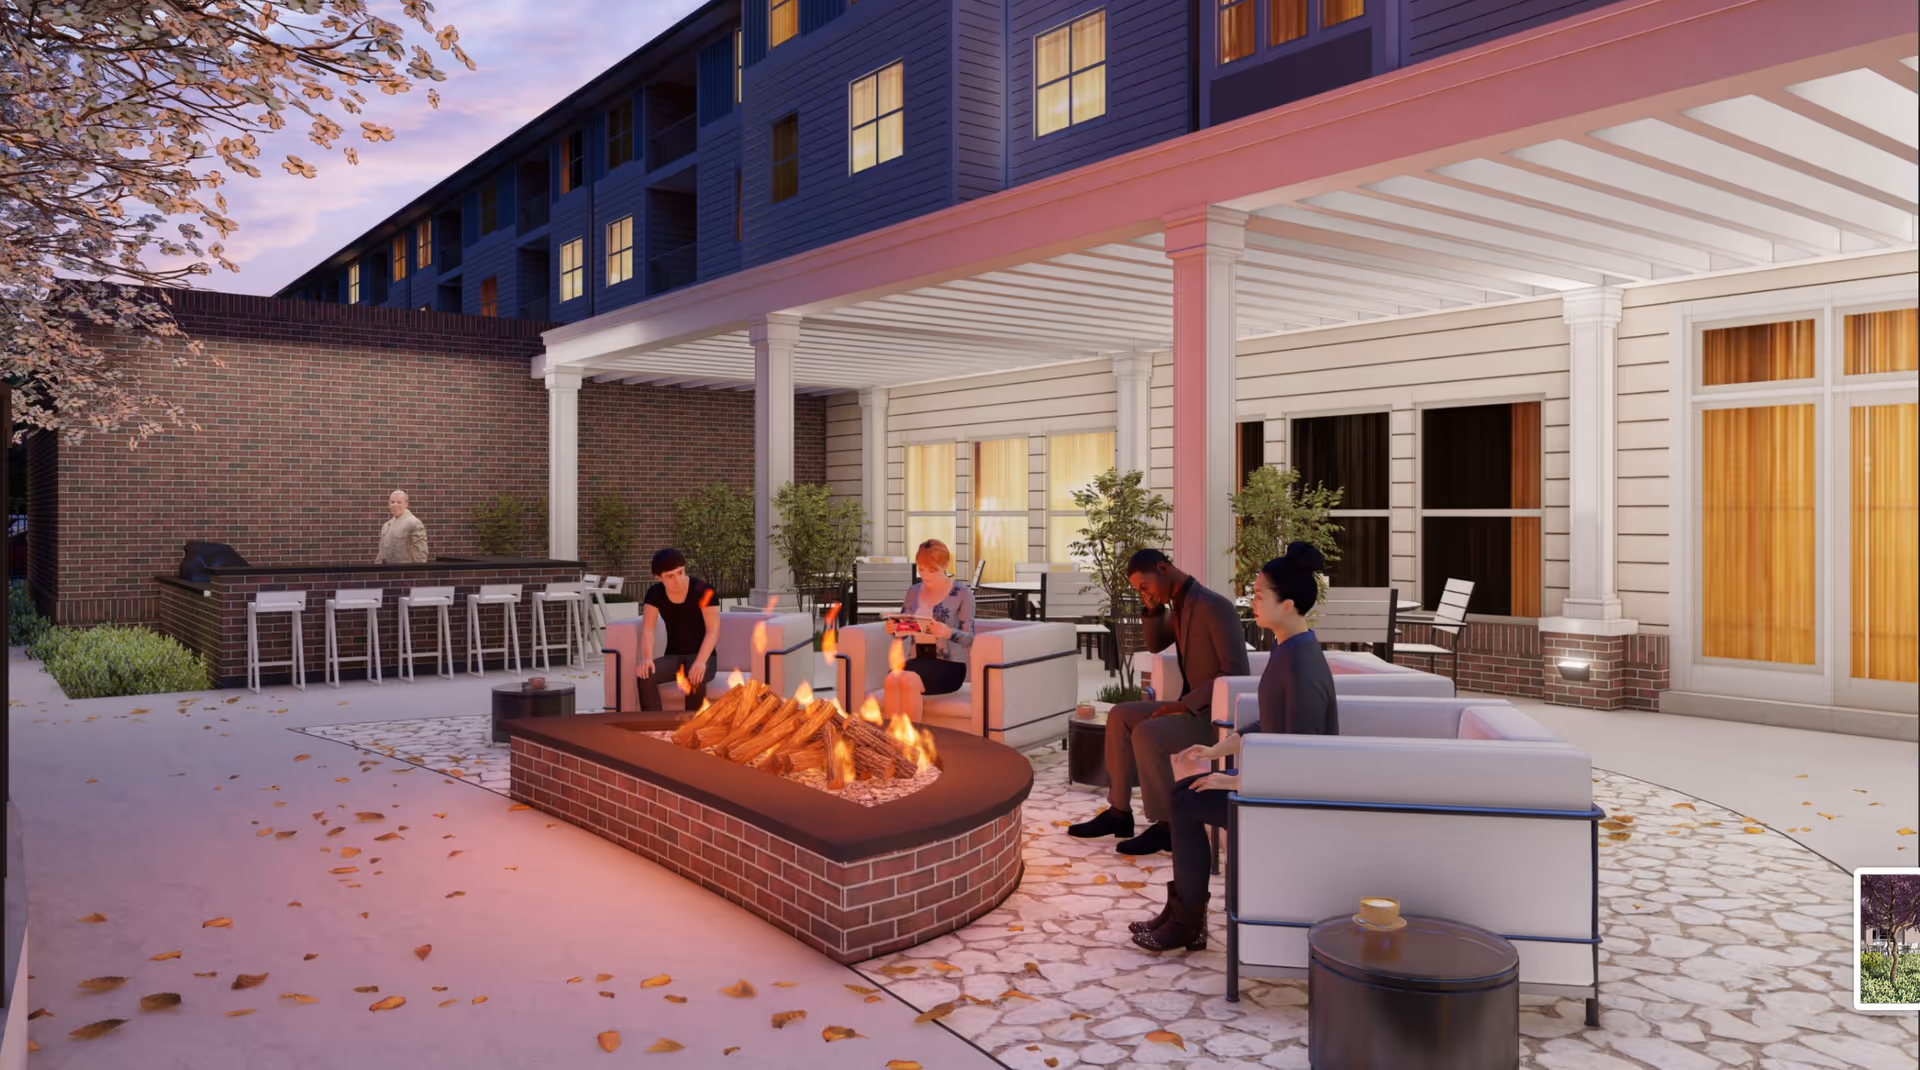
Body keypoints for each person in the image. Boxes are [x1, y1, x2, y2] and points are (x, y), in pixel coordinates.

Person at [1130, 542, 1338, 952]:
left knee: (1186, 800)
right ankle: (1183, 912)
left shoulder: (1301, 665)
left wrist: (1235, 778)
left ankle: (1187, 918)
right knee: (1185, 794)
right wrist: (1216, 752)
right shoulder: (1287, 650)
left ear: (1289, 604)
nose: (1252, 602)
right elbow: (1271, 724)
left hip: (1288, 800)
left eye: (1260, 595)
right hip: (1273, 780)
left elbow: (1302, 756)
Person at [1069, 548, 1249, 855]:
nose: (1143, 593)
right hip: (1190, 708)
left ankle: (1168, 826)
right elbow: (1155, 644)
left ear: (1163, 569)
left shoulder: (1213, 606)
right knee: (1121, 715)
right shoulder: (1179, 605)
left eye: (1144, 586)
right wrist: (1151, 609)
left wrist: (1185, 704)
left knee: (1147, 733)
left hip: (1213, 718)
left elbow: (1235, 673)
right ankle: (1119, 813)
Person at [883, 538, 975, 719]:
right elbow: (902, 631)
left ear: (945, 565)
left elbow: (970, 638)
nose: (926, 576)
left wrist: (947, 632)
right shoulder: (914, 591)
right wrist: (894, 628)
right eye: (921, 570)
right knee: (892, 678)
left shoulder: (962, 593)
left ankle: (912, 742)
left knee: (908, 679)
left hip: (950, 665)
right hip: (918, 660)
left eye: (932, 570)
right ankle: (891, 741)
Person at [636, 548, 721, 711]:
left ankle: (692, 728)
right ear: (658, 578)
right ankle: (654, 727)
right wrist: (647, 659)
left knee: (694, 675)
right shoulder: (654, 594)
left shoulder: (704, 591)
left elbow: (713, 631)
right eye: (670, 576)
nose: (678, 580)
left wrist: (701, 662)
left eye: (680, 573)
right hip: (674, 657)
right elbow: (648, 630)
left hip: (704, 657)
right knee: (645, 675)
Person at [375, 490, 430, 564]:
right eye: (392, 502)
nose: (395, 505)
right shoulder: (386, 526)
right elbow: (381, 554)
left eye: (399, 502)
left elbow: (421, 555)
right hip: (386, 572)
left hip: (406, 572)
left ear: (406, 504)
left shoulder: (414, 523)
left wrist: (417, 573)